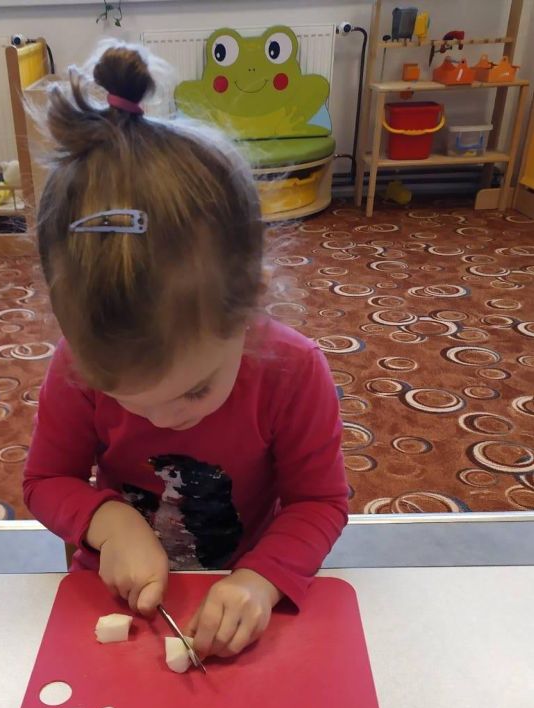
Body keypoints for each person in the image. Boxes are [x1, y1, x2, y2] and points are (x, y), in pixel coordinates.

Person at [23, 42, 348, 660]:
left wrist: (260, 579)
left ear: (249, 304)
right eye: (126, 398)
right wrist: (109, 522)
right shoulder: (75, 364)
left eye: (195, 390)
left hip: (240, 578)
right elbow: (46, 479)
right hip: (113, 597)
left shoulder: (294, 371)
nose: (164, 419)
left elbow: (319, 502)